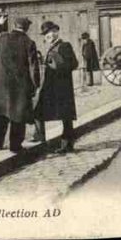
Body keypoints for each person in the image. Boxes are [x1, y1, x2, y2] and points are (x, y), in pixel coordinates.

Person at [0, 17, 40, 153]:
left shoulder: (3, 38)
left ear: (14, 26)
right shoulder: (29, 43)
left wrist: (0, 24)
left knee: (0, 114)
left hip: (1, 86)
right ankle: (15, 146)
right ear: (27, 28)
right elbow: (34, 67)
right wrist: (35, 85)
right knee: (18, 116)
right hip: (20, 86)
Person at [35, 21, 79, 154]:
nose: (47, 36)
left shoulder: (64, 46)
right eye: (45, 34)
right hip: (52, 87)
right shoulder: (52, 47)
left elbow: (74, 64)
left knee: (65, 117)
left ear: (56, 31)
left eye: (49, 32)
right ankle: (40, 137)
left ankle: (67, 144)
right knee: (39, 110)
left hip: (61, 87)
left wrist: (56, 66)